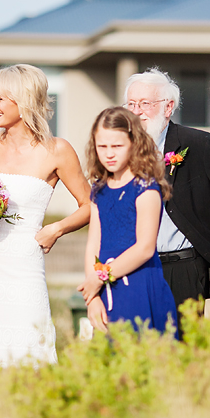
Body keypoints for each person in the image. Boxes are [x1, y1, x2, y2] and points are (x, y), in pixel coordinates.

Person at [0, 64, 91, 393]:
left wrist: (55, 229)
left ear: (25, 100)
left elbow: (90, 205)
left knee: (29, 348)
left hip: (23, 266)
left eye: (0, 98)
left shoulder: (58, 150)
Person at [123, 69, 210, 317]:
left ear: (168, 107)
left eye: (145, 104)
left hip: (183, 267)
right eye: (131, 104)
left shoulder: (200, 145)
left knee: (180, 349)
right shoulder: (119, 151)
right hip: (134, 267)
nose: (137, 111)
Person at [80, 107, 178, 335]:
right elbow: (93, 244)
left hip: (139, 286)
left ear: (134, 144)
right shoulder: (99, 190)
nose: (109, 154)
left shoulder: (146, 188)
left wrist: (101, 277)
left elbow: (145, 248)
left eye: (117, 146)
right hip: (104, 288)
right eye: (102, 147)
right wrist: (92, 295)